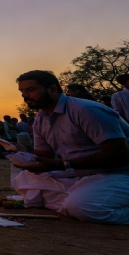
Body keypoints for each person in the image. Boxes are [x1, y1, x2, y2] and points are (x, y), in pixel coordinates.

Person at [11, 70, 129, 224]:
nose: (25, 96)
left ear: (53, 89)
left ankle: (81, 201)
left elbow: (119, 154)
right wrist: (23, 154)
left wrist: (63, 165)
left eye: (31, 90)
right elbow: (44, 157)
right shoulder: (41, 119)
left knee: (82, 207)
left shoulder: (84, 110)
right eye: (22, 91)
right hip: (79, 174)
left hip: (118, 173)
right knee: (25, 179)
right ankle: (81, 197)